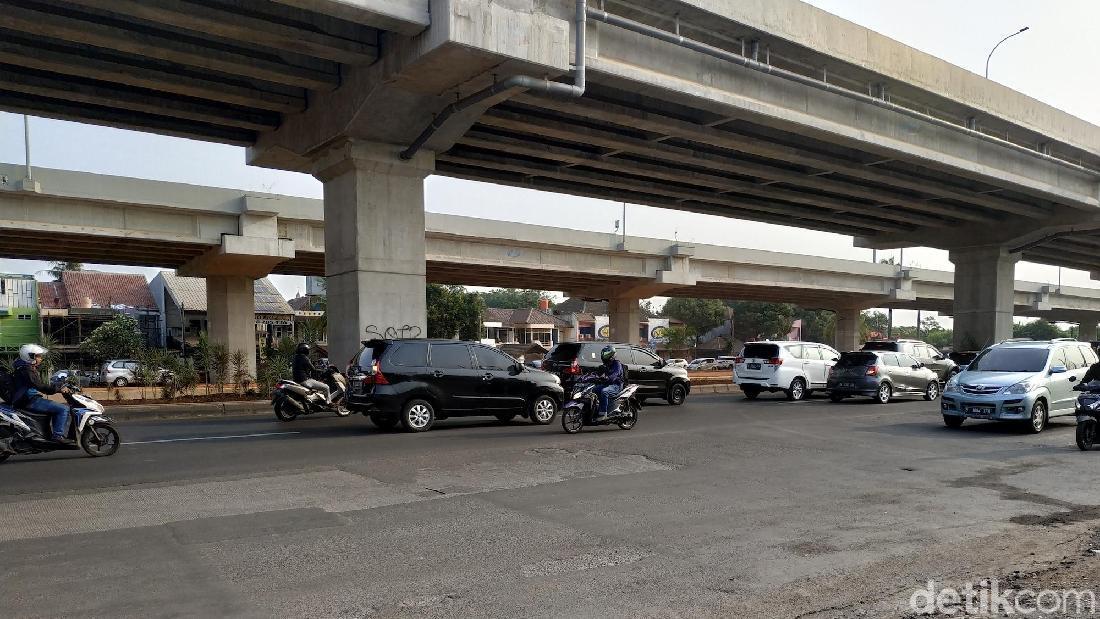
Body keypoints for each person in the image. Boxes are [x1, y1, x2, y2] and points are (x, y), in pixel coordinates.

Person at [11, 344, 73, 445]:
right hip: (28, 400)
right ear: (30, 356)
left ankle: (45, 433)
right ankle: (58, 436)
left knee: (54, 408)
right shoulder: (26, 369)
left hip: (26, 398)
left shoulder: (24, 367)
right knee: (63, 409)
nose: (41, 358)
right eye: (38, 356)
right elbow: (40, 386)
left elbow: (40, 385)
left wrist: (57, 386)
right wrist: (58, 389)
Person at [594, 345, 625, 419]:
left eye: (606, 354)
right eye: (604, 354)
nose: (604, 356)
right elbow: (596, 373)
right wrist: (587, 377)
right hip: (608, 384)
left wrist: (608, 378)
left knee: (604, 392)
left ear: (611, 355)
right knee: (594, 390)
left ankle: (603, 413)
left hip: (616, 385)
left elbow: (615, 374)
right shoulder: (605, 365)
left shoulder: (617, 364)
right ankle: (596, 409)